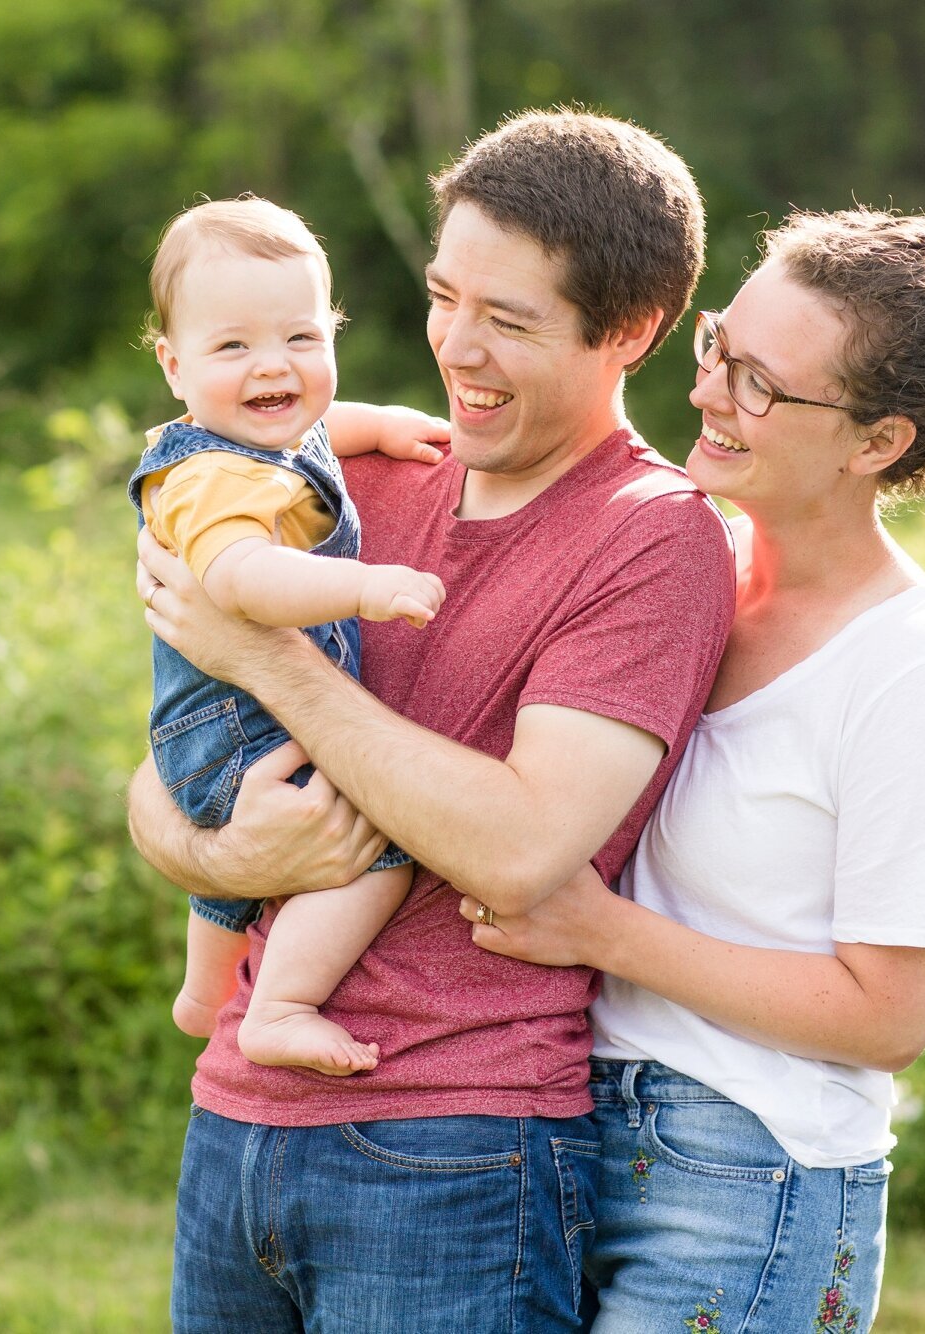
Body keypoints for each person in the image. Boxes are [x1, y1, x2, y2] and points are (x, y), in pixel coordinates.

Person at [456, 174, 925, 1332]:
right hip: (569, 1127)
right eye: (719, 346)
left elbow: (884, 1013)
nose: (707, 391)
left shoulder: (911, 671)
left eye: (758, 384)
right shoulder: (678, 572)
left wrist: (605, 933)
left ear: (878, 440)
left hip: (748, 1179)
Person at [129, 110, 733, 1331]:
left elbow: (520, 847)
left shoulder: (651, 538)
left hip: (455, 1150)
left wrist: (280, 669)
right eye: (442, 295)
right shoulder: (343, 482)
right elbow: (161, 765)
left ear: (630, 330)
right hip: (237, 1115)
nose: (456, 347)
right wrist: (220, 853)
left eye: (507, 321)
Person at [131, 195, 450, 1078]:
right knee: (378, 848)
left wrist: (381, 425)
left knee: (236, 853)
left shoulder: (255, 438)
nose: (273, 366)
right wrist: (363, 586)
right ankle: (279, 1005)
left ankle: (203, 993)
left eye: (302, 339)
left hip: (202, 738)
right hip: (238, 726)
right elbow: (240, 580)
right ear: (174, 364)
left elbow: (314, 438)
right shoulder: (211, 482)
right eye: (233, 347)